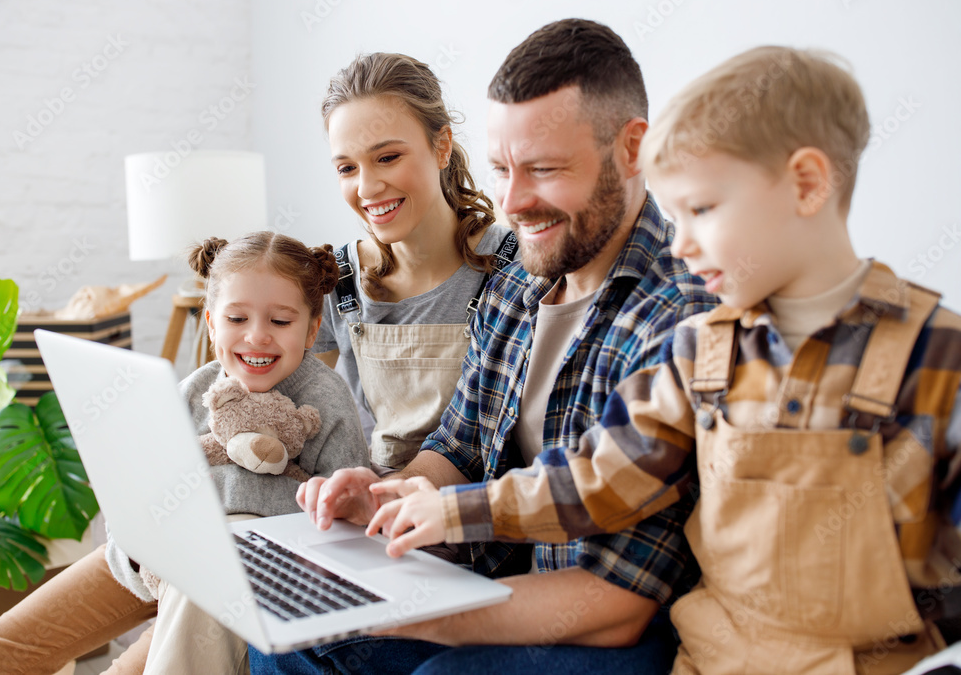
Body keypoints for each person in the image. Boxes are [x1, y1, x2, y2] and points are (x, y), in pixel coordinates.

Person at [370, 46, 961, 674]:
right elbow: (599, 478)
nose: (678, 243)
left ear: (808, 185)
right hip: (713, 662)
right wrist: (453, 510)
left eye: (702, 210)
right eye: (674, 215)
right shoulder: (704, 346)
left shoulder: (936, 356)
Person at [259, 19, 716, 675]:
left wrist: (414, 610)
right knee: (287, 629)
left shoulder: (679, 315)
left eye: (544, 170)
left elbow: (619, 601)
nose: (513, 201)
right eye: (502, 169)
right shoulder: (517, 283)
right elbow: (460, 444)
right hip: (497, 580)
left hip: (604, 620)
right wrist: (388, 494)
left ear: (632, 150)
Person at [0, 232, 370, 675]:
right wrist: (140, 558)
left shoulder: (326, 403)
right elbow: (137, 497)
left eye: (281, 322)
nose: (257, 337)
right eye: (237, 318)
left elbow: (345, 534)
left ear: (312, 329)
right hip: (155, 557)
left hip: (235, 573)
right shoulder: (192, 390)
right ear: (211, 322)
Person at [312, 51, 517, 472]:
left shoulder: (515, 267)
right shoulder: (335, 280)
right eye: (347, 168)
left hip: (470, 519)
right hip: (365, 513)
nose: (367, 187)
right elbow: (307, 417)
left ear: (441, 146)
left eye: (387, 157)